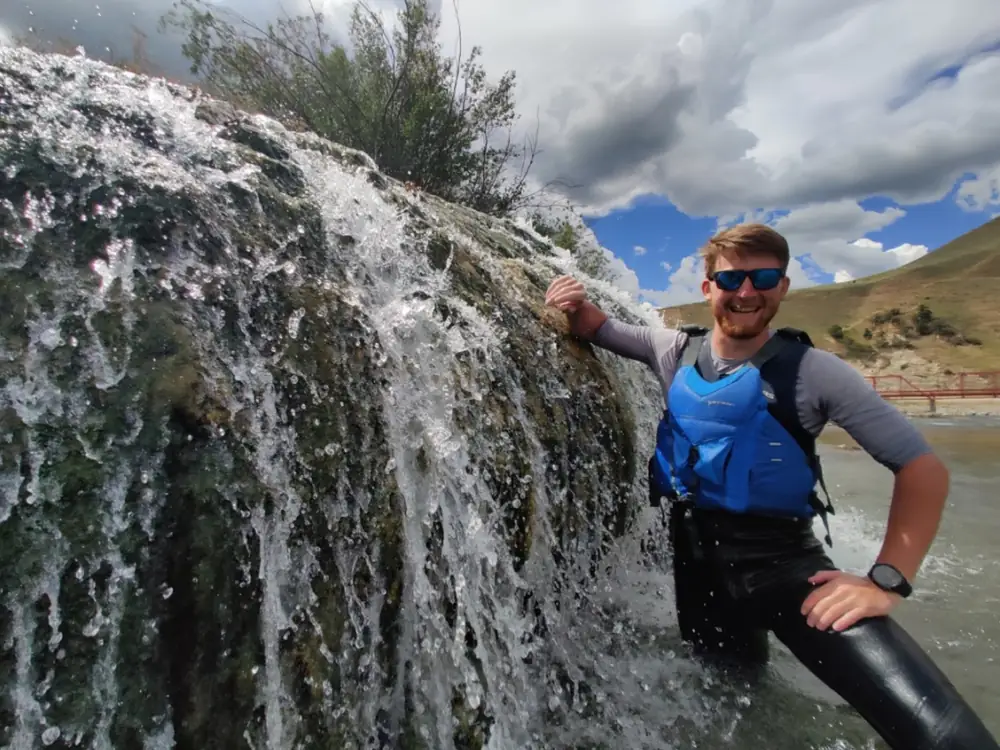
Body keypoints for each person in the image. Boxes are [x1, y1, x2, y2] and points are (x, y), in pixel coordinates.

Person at [543, 222, 998, 749]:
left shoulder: (816, 372)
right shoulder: (670, 350)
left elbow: (922, 469)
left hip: (788, 575)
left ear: (782, 287)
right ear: (708, 286)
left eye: (763, 278)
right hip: (698, 574)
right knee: (729, 702)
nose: (746, 292)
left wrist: (885, 580)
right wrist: (571, 301)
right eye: (732, 279)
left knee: (941, 731)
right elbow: (596, 326)